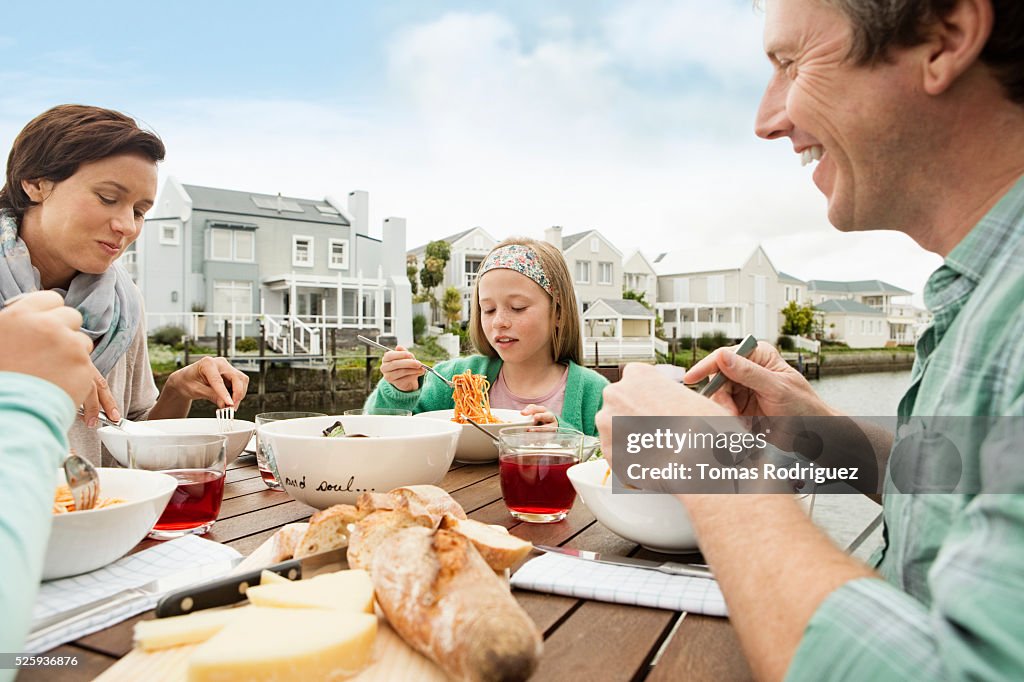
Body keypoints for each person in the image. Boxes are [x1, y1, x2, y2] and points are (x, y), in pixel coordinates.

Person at [597, 0, 1024, 679]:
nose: (768, 120)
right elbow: (975, 486)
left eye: (792, 64)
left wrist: (708, 462)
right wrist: (822, 437)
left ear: (944, 41)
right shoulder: (985, 292)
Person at [0, 105, 250, 463]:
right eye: (107, 198)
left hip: (96, 515)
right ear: (35, 182)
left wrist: (177, 392)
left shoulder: (123, 301)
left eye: (139, 211)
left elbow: (132, 444)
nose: (127, 227)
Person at [366, 238, 608, 436]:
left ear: (558, 313)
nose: (499, 321)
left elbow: (636, 473)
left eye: (518, 307)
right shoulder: (452, 379)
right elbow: (377, 433)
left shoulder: (596, 393)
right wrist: (399, 392)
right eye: (488, 309)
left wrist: (566, 437)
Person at [0, 291, 96, 675]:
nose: (126, 227)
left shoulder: (125, 303)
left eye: (141, 222)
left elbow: (134, 420)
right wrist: (24, 400)